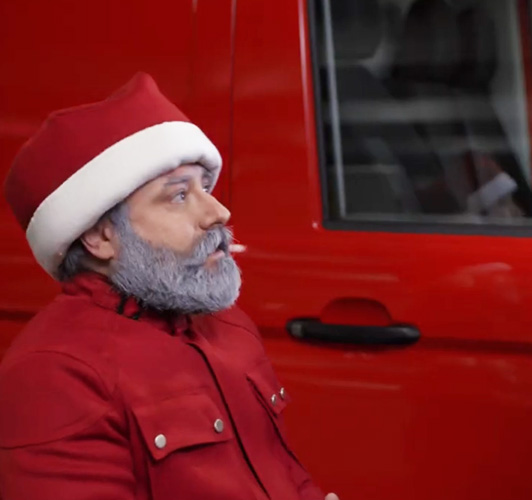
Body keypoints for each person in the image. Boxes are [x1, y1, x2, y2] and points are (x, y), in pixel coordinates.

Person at [0, 73, 339, 500]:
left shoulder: (228, 327)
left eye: (206, 187)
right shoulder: (54, 375)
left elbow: (284, 474)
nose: (218, 212)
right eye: (179, 196)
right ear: (100, 237)